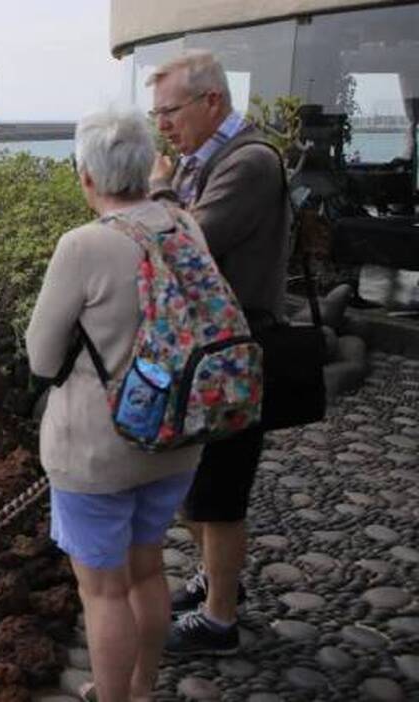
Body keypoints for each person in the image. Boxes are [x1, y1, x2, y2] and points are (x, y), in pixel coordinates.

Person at [26, 106, 207, 702]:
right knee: (148, 568)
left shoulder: (83, 245)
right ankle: (141, 689)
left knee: (103, 591)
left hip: (97, 449)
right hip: (176, 435)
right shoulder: (185, 226)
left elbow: (41, 356)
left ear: (87, 176)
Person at [147, 50, 290, 655]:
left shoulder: (249, 162)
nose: (163, 125)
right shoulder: (207, 159)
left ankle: (220, 620)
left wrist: (158, 187)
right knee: (196, 481)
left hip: (237, 352)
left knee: (220, 488)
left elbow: (189, 242)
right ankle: (214, 580)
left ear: (212, 101)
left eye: (170, 111)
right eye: (156, 114)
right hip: (211, 348)